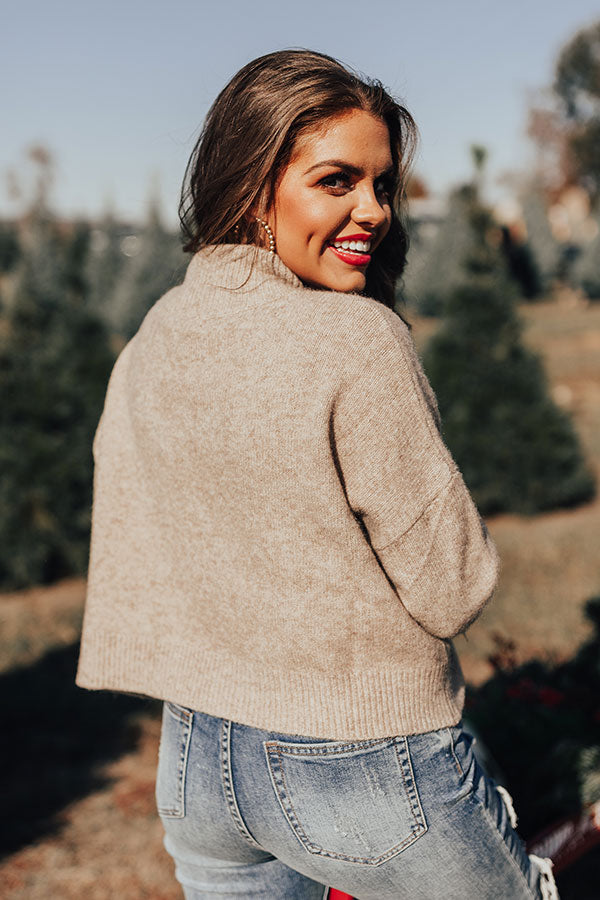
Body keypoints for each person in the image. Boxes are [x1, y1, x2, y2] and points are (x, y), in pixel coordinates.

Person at [76, 49, 558, 899]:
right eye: (337, 181)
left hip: (197, 759)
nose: (373, 210)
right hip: (362, 761)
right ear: (252, 187)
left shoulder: (158, 331)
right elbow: (452, 588)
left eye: (381, 184)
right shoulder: (357, 340)